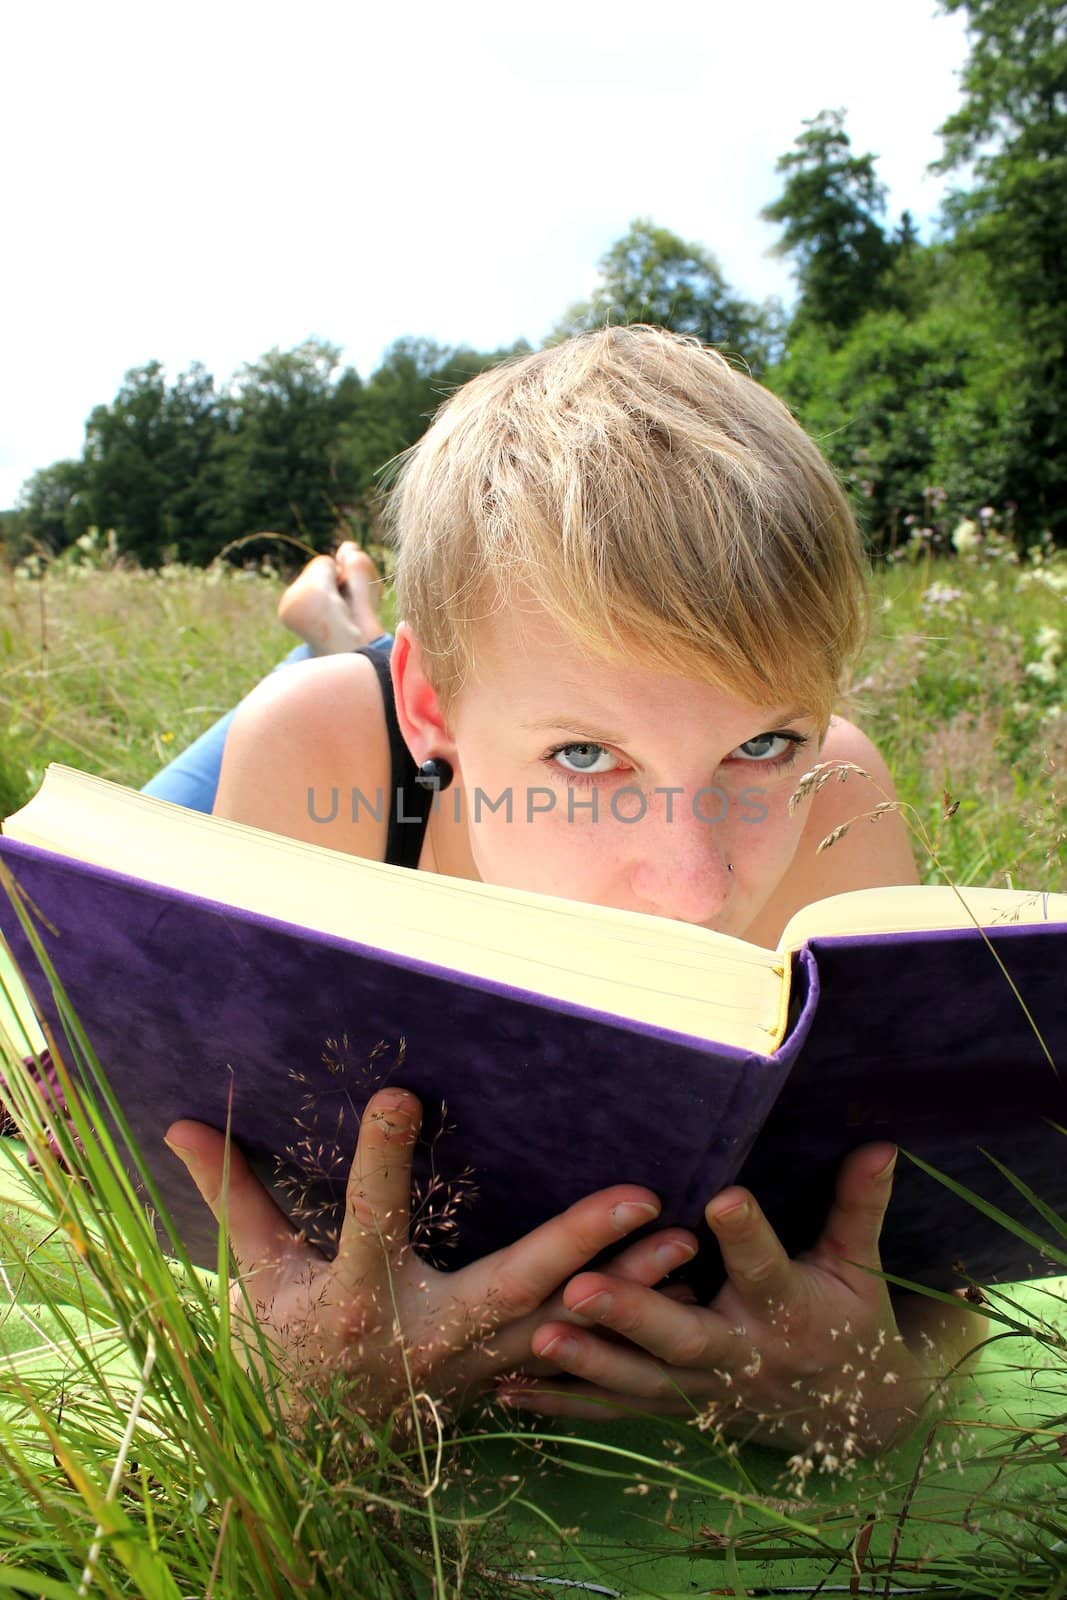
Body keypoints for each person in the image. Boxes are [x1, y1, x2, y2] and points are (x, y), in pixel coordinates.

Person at [162, 326, 984, 1457]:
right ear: (435, 709)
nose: (691, 886)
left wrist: (884, 1398)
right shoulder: (319, 755)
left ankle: (375, 636)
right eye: (587, 758)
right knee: (168, 815)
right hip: (372, 760)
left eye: (760, 741)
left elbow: (941, 1268)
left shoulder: (840, 785)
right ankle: (337, 632)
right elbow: (229, 1198)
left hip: (447, 704)